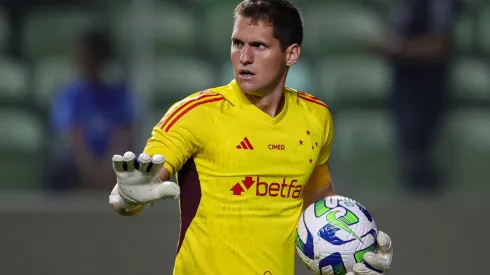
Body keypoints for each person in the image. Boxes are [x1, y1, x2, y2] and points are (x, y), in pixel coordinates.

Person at [109, 1, 393, 274]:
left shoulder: (316, 118)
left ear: (291, 54)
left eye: (258, 45)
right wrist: (126, 197)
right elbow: (140, 185)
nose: (244, 57)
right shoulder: (196, 113)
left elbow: (319, 205)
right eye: (237, 44)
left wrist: (354, 255)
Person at [367, 0, 456, 194]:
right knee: (407, 157)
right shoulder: (406, 4)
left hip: (428, 89)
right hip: (404, 85)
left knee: (423, 160)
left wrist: (397, 49)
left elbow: (439, 45)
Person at [47, 29, 135, 191]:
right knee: (54, 176)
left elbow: (124, 136)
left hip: (114, 168)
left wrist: (107, 170)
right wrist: (91, 171)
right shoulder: (71, 95)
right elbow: (74, 138)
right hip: (78, 167)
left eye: (88, 57)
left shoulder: (120, 95)